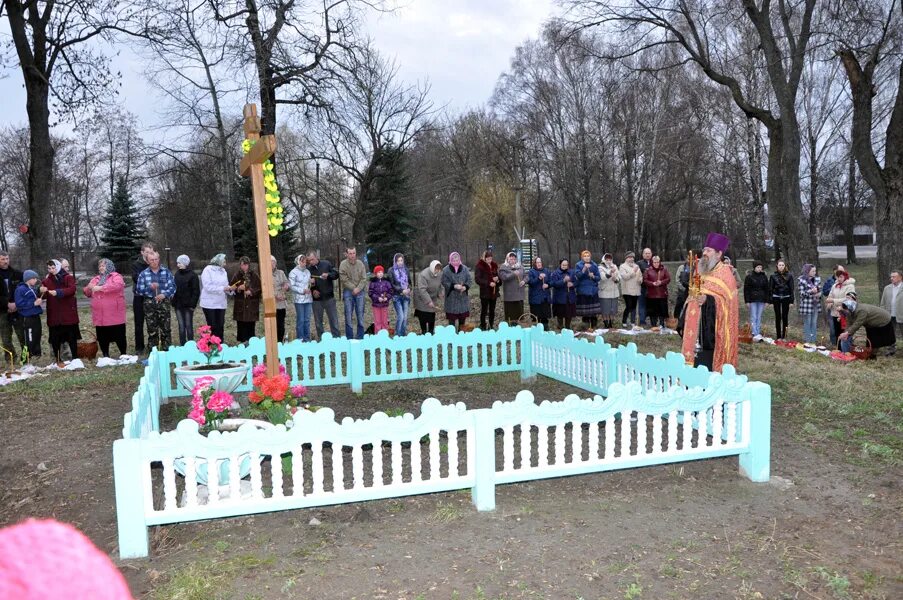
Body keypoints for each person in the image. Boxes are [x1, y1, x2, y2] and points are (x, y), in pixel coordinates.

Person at [678, 232, 739, 372]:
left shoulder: (726, 274)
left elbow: (728, 304)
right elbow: (691, 294)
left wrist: (708, 299)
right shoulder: (700, 270)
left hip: (711, 331)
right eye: (704, 249)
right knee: (693, 364)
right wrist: (682, 320)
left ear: (719, 254)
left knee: (706, 363)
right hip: (694, 326)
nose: (704, 253)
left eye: (708, 250)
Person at [83, 258, 127, 358]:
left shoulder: (116, 276)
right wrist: (89, 287)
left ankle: (123, 353)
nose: (101, 267)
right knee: (102, 336)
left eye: (103, 265)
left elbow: (117, 286)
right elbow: (87, 292)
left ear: (109, 266)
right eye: (100, 266)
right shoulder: (96, 278)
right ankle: (105, 354)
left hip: (114, 314)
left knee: (119, 335)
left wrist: (101, 287)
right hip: (100, 315)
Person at [135, 251, 176, 352]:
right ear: (148, 261)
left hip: (164, 303)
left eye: (156, 259)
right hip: (149, 303)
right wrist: (149, 287)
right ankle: (153, 353)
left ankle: (167, 352)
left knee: (166, 329)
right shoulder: (143, 274)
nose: (154, 262)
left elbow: (173, 287)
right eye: (151, 260)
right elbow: (139, 291)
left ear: (159, 259)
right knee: (152, 329)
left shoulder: (166, 272)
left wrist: (164, 294)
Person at [41, 259, 79, 364]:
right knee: (55, 338)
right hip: (54, 314)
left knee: (71, 337)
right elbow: (43, 295)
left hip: (68, 314)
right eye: (49, 268)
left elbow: (72, 290)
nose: (51, 270)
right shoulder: (47, 280)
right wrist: (41, 291)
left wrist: (58, 292)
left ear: (58, 267)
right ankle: (58, 359)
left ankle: (75, 358)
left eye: (53, 268)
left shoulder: (68, 277)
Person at [307, 251, 340, 339]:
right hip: (317, 300)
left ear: (317, 257)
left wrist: (328, 275)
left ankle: (336, 339)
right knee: (318, 323)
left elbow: (336, 275)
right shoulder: (308, 270)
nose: (311, 262)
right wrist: (313, 290)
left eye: (312, 259)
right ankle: (321, 341)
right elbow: (307, 284)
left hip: (329, 298)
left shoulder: (326, 264)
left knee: (334, 321)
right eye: (309, 260)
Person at [0, 251, 25, 365]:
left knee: (22, 336)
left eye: (7, 259)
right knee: (6, 339)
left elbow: (23, 290)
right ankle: (11, 359)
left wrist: (16, 303)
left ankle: (25, 358)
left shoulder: (17, 274)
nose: (6, 261)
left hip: (18, 310)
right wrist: (7, 303)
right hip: (2, 311)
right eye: (3, 259)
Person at [229, 256, 261, 344]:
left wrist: (251, 291)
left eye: (245, 264)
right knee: (241, 324)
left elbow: (259, 288)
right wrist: (239, 288)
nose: (244, 266)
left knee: (250, 324)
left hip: (251, 304)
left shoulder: (254, 275)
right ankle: (242, 343)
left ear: (248, 265)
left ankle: (251, 342)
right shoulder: (237, 275)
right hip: (241, 304)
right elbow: (231, 287)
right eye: (242, 265)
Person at [200, 253, 230, 342]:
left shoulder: (223, 271)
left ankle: (220, 345)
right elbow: (207, 287)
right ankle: (212, 346)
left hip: (221, 303)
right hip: (209, 304)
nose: (225, 263)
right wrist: (223, 288)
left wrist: (230, 289)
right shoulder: (207, 270)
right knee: (212, 326)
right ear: (219, 261)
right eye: (224, 261)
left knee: (220, 325)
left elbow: (226, 285)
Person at [13, 270, 43, 360]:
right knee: (28, 339)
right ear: (28, 279)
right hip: (27, 318)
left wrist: (38, 301)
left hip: (35, 316)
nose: (36, 280)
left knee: (36, 336)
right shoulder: (20, 289)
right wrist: (34, 303)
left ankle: (34, 355)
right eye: (34, 278)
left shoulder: (32, 288)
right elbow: (19, 304)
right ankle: (24, 359)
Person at [339, 247, 368, 339]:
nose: (352, 255)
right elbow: (343, 279)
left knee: (360, 314)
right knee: (348, 315)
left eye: (354, 253)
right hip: (348, 291)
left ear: (356, 253)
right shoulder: (343, 264)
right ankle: (350, 338)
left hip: (360, 291)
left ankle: (360, 337)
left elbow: (364, 278)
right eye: (350, 253)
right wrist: (353, 288)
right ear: (347, 254)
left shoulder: (360, 264)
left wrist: (358, 288)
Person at [131, 242, 155, 354]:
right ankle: (139, 347)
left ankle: (153, 345)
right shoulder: (136, 264)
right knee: (139, 323)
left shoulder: (155, 262)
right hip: (139, 297)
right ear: (142, 253)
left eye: (151, 252)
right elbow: (136, 278)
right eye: (147, 252)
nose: (149, 254)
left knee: (153, 322)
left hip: (152, 297)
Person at [172, 255, 200, 347]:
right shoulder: (177, 274)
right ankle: (182, 345)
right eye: (177, 263)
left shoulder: (192, 275)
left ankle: (191, 345)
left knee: (188, 326)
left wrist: (192, 305)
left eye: (179, 263)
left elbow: (196, 291)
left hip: (188, 305)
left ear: (185, 263)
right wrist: (173, 301)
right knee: (181, 326)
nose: (177, 264)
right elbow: (174, 289)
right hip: (178, 305)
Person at [824, 269, 856, 348]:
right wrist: (830, 302)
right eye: (837, 277)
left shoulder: (850, 286)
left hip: (845, 313)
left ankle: (846, 349)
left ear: (845, 276)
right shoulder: (835, 285)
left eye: (841, 277)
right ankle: (839, 348)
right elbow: (830, 295)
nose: (839, 279)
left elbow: (848, 299)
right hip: (835, 312)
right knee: (837, 331)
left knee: (844, 332)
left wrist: (833, 300)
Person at [441, 252, 472, 332]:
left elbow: (469, 280)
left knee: (462, 321)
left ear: (459, 259)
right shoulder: (446, 270)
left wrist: (465, 287)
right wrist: (454, 286)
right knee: (451, 322)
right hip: (451, 299)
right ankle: (452, 338)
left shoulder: (465, 268)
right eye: (453, 259)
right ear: (450, 260)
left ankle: (461, 337)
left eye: (457, 259)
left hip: (463, 299)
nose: (455, 261)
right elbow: (444, 281)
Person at [743, 261, 770, 341]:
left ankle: (758, 332)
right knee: (753, 316)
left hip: (761, 299)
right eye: (758, 267)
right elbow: (746, 290)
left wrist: (767, 300)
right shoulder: (749, 276)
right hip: (752, 299)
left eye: (760, 267)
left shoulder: (764, 276)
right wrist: (747, 301)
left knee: (759, 316)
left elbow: (767, 289)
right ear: (754, 267)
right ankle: (754, 332)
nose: (759, 269)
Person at [414, 260, 443, 334]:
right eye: (436, 269)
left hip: (432, 296)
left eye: (439, 269)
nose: (438, 271)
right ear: (432, 268)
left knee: (431, 314)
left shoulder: (439, 274)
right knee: (423, 315)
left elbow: (440, 285)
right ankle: (424, 332)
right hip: (421, 297)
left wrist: (440, 293)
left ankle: (431, 332)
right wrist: (428, 301)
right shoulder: (423, 275)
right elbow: (422, 289)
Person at [288, 254, 312, 342]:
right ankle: (300, 339)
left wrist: (311, 283)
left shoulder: (307, 272)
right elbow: (291, 286)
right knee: (301, 320)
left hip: (308, 299)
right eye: (302, 261)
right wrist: (302, 290)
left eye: (305, 261)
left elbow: (309, 285)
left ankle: (307, 338)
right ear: (298, 261)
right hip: (299, 299)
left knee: (307, 320)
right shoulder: (293, 272)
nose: (304, 263)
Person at [387, 253, 412, 336]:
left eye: (401, 260)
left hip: (406, 297)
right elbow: (391, 284)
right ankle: (398, 336)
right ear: (395, 261)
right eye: (398, 261)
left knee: (405, 318)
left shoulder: (406, 270)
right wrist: (401, 290)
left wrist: (409, 289)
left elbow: (410, 283)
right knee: (400, 317)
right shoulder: (391, 270)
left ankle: (403, 334)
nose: (400, 262)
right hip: (397, 296)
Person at [575, 250, 601, 329]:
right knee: (585, 310)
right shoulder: (578, 265)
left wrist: (593, 276)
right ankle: (585, 325)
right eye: (585, 256)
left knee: (593, 311)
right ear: (582, 257)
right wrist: (584, 269)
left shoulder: (594, 265)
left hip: (592, 290)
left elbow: (598, 277)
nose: (587, 258)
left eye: (588, 256)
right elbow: (578, 276)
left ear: (590, 257)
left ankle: (593, 325)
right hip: (583, 290)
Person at [474, 250, 500, 330]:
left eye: (491, 258)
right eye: (488, 258)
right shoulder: (480, 266)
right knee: (484, 310)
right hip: (485, 292)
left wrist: (497, 280)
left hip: (493, 292)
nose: (490, 260)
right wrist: (488, 283)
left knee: (492, 310)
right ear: (484, 258)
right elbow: (478, 279)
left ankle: (491, 326)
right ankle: (483, 326)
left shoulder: (494, 265)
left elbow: (497, 277)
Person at [499, 251, 526, 325]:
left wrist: (524, 281)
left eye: (514, 259)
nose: (512, 261)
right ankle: (510, 329)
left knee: (518, 316)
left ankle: (517, 328)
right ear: (507, 259)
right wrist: (513, 274)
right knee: (510, 317)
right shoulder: (503, 267)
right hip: (509, 297)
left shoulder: (520, 266)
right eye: (511, 259)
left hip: (519, 295)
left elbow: (526, 275)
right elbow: (504, 277)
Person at [643, 255, 671, 328]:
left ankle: (662, 324)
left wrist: (661, 282)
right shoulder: (648, 270)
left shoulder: (664, 269)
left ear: (660, 262)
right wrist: (652, 283)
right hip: (651, 295)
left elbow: (668, 279)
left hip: (662, 294)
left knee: (662, 310)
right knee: (653, 311)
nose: (656, 264)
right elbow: (645, 281)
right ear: (652, 262)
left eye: (657, 262)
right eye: (654, 262)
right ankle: (654, 325)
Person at [769, 260, 794, 340]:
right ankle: (778, 336)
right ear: (777, 266)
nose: (781, 267)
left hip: (786, 297)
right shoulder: (773, 276)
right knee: (778, 316)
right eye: (780, 265)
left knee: (785, 317)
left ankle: (785, 335)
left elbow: (791, 288)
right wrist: (770, 300)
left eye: (783, 265)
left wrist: (791, 301)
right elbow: (771, 288)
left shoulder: (789, 276)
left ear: (785, 266)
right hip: (776, 297)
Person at [550, 258, 577, 330]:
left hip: (569, 297)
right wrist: (563, 280)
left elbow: (577, 282)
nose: (565, 266)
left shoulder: (572, 272)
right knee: (560, 313)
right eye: (563, 265)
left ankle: (568, 326)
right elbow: (554, 284)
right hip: (559, 297)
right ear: (560, 265)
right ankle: (560, 326)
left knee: (569, 314)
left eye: (566, 265)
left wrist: (572, 284)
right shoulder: (555, 273)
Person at [797, 263, 821, 343]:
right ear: (807, 271)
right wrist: (811, 291)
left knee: (814, 322)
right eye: (813, 271)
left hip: (815, 304)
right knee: (808, 322)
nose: (815, 272)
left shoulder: (817, 279)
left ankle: (813, 340)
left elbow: (820, 290)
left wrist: (819, 294)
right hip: (806, 305)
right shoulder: (801, 280)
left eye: (815, 271)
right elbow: (802, 293)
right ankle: (808, 340)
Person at [527, 257, 552, 329]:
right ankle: (537, 330)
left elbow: (551, 281)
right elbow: (530, 282)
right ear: (534, 263)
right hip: (535, 298)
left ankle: (546, 329)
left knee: (545, 315)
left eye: (540, 262)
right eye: (537, 262)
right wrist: (539, 278)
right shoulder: (531, 271)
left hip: (545, 297)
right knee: (537, 316)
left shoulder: (546, 271)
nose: (539, 264)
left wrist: (548, 285)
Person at [619, 252, 642, 327]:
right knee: (628, 306)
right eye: (629, 257)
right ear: (626, 258)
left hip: (636, 289)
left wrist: (640, 280)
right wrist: (633, 271)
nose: (631, 259)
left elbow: (640, 275)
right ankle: (624, 321)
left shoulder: (636, 266)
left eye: (632, 257)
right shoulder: (622, 266)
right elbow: (625, 277)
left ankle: (632, 322)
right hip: (627, 290)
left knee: (633, 307)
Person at [879, 270, 903, 347]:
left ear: (900, 277)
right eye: (891, 277)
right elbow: (883, 303)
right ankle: (891, 349)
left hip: (901, 315)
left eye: (894, 276)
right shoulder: (887, 288)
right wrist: (883, 313)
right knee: (890, 334)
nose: (891, 278)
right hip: (889, 315)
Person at [597, 253, 620, 329]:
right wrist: (610, 273)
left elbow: (619, 278)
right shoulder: (600, 267)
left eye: (610, 260)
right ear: (604, 260)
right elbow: (603, 277)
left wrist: (615, 279)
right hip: (604, 291)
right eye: (607, 260)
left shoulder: (615, 266)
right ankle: (606, 323)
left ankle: (611, 322)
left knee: (612, 309)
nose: (609, 261)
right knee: (605, 309)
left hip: (614, 291)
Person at [369, 265, 393, 333]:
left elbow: (390, 291)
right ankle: (378, 335)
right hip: (376, 305)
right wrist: (377, 298)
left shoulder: (387, 282)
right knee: (377, 321)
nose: (380, 273)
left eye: (381, 272)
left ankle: (385, 335)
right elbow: (370, 293)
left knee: (384, 321)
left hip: (384, 304)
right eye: (378, 272)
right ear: (375, 273)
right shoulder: (373, 282)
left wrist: (387, 297)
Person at [271, 256, 290, 342]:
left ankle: (280, 342)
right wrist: (275, 295)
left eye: (273, 262)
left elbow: (286, 283)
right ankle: (273, 343)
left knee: (281, 325)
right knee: (272, 325)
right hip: (271, 304)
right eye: (270, 262)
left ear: (275, 263)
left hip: (281, 304)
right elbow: (264, 288)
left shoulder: (281, 273)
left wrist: (287, 286)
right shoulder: (265, 274)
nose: (272, 264)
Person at [637, 247, 653, 326]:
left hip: (653, 288)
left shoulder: (655, 262)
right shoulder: (639, 263)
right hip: (642, 288)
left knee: (651, 305)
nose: (647, 255)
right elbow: (637, 275)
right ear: (643, 254)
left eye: (649, 253)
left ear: (651, 254)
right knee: (642, 305)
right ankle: (642, 321)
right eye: (646, 253)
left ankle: (652, 321)